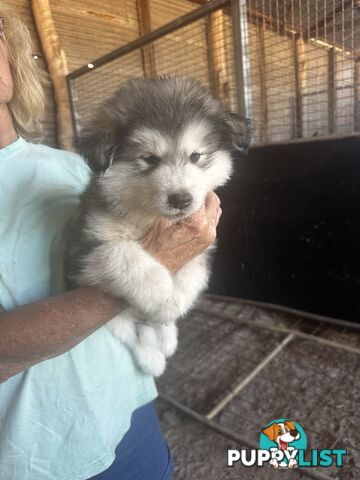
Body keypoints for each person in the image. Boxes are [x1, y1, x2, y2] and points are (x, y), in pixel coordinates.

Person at [0, 3, 222, 480]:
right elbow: (125, 265)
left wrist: (174, 273)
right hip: (29, 456)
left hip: (129, 414)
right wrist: (151, 275)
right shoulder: (104, 163)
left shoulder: (72, 166)